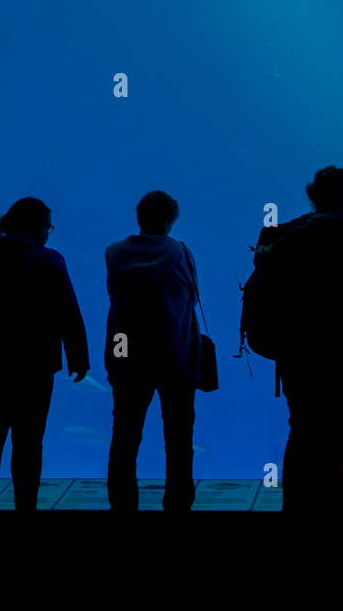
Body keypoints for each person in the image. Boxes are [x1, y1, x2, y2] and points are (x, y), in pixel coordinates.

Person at [0, 197, 89, 510]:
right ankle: (25, 507)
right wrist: (78, 356)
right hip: (34, 366)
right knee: (28, 444)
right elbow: (68, 311)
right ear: (39, 228)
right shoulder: (48, 260)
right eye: (48, 228)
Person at [261, 166, 343, 513]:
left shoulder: (282, 233)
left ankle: (296, 511)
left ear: (311, 193)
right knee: (332, 444)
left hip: (295, 351)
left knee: (301, 430)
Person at [105, 190, 201, 511]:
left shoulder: (114, 253)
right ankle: (177, 504)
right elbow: (189, 306)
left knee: (124, 437)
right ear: (170, 220)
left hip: (126, 358)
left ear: (139, 217)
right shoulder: (180, 253)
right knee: (179, 440)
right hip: (175, 360)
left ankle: (121, 505)